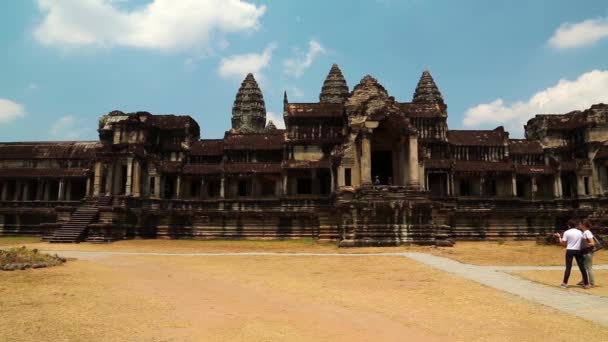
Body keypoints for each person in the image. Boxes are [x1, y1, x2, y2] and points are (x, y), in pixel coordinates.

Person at [554, 219, 590, 289]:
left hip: (570, 250)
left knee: (568, 267)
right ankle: (586, 283)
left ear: (569, 225)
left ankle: (564, 283)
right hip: (578, 250)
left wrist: (559, 237)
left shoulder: (567, 232)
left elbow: (563, 243)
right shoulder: (580, 232)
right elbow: (583, 241)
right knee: (582, 267)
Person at [577, 219, 596, 287]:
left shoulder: (587, 232)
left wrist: (585, 245)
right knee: (584, 267)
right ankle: (584, 280)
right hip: (585, 252)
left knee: (588, 267)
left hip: (588, 252)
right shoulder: (585, 232)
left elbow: (592, 243)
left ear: (584, 225)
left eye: (580, 224)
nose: (579, 225)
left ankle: (591, 282)